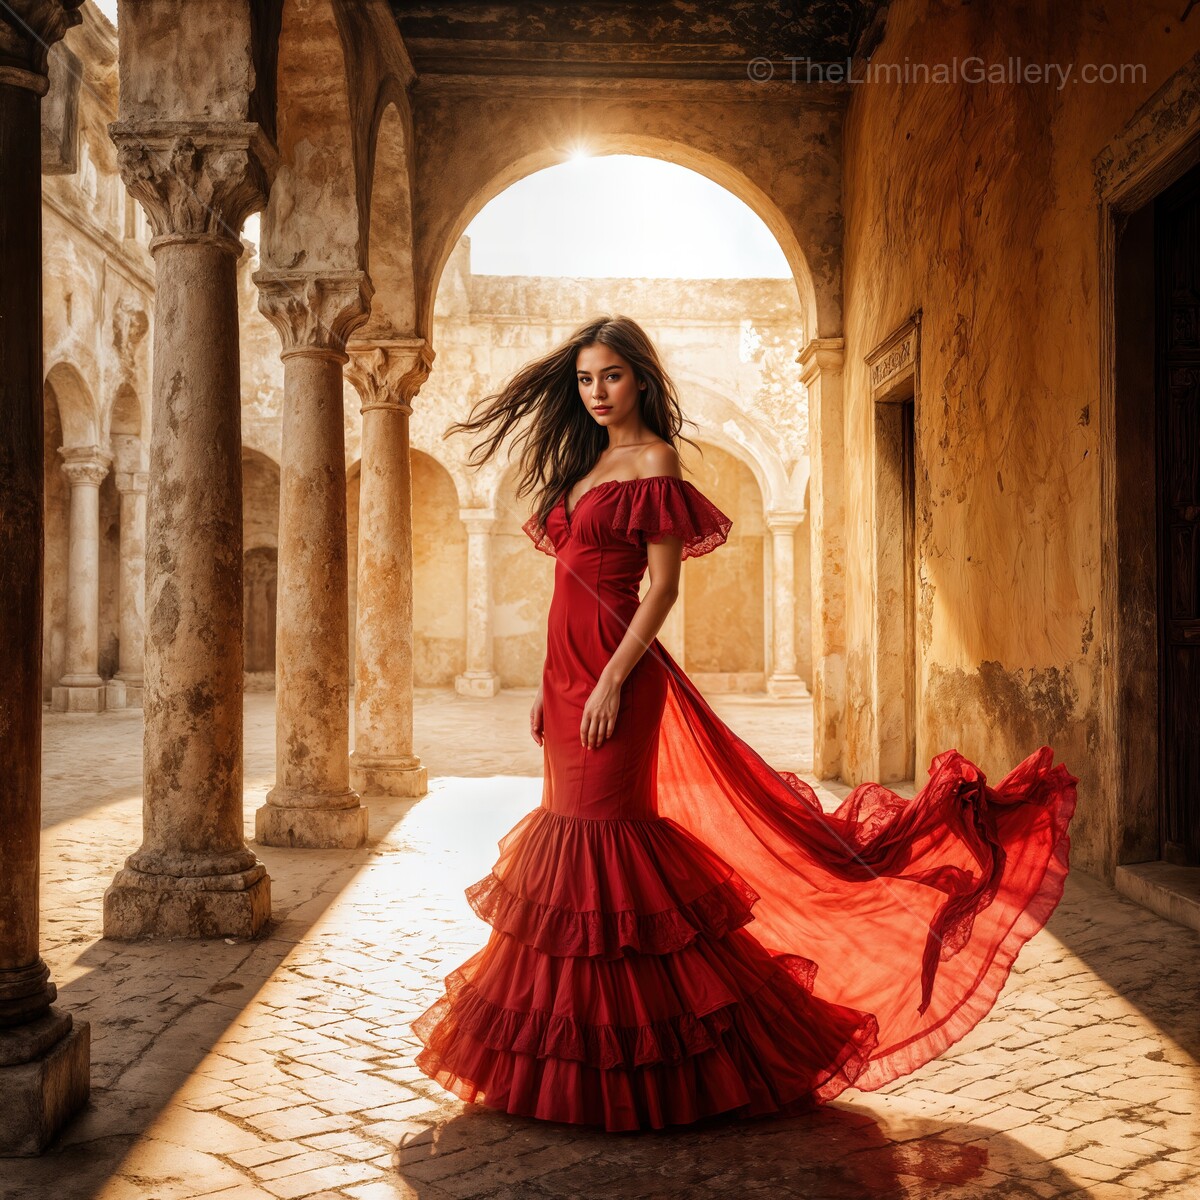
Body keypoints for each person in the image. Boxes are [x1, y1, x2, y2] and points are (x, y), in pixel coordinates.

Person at [412, 315, 1078, 1132]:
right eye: (585, 379)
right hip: (566, 680)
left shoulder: (655, 461)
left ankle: (671, 1052)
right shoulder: (585, 465)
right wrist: (553, 688)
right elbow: (570, 587)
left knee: (606, 842)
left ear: (641, 381)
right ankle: (579, 1052)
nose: (595, 393)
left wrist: (612, 680)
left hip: (618, 679)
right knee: (570, 836)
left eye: (611, 377)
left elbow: (658, 590)